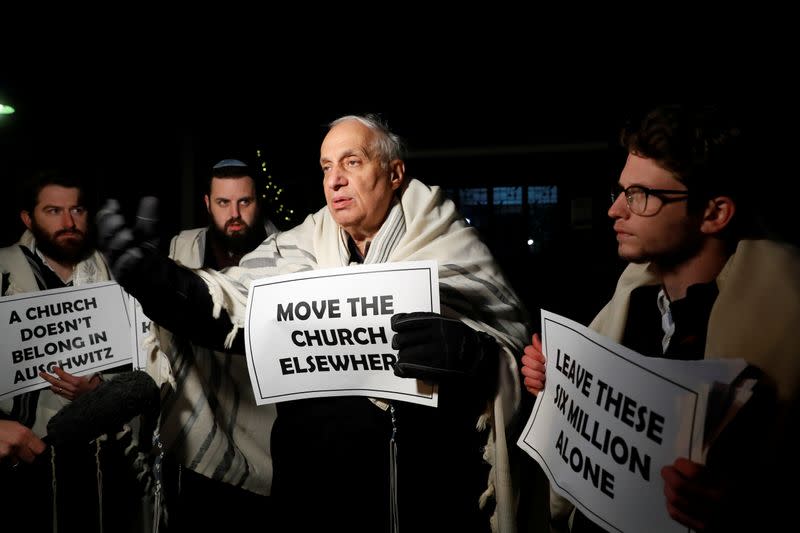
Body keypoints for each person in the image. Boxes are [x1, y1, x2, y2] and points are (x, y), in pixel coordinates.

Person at [99, 114, 530, 532]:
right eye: (326, 166)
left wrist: (473, 355)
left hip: (421, 493)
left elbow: (508, 339)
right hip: (312, 489)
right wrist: (157, 282)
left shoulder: (448, 242)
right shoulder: (299, 247)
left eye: (352, 162)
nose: (334, 179)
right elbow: (232, 305)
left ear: (394, 173)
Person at [520, 104, 800, 531]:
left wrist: (743, 507)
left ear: (713, 213)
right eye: (621, 191)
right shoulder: (628, 302)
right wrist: (558, 384)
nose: (616, 210)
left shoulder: (787, 324)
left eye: (642, 196)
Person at [0, 169, 147, 532]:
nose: (68, 222)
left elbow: (150, 365)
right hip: (22, 465)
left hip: (107, 464)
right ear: (27, 218)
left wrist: (103, 393)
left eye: (77, 210)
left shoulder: (119, 274)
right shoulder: (3, 272)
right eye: (53, 211)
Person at [148, 159, 279, 531]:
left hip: (262, 418)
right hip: (198, 419)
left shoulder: (287, 253)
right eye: (223, 203)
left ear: (259, 201)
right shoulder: (182, 248)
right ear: (207, 203)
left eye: (244, 202)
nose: (234, 214)